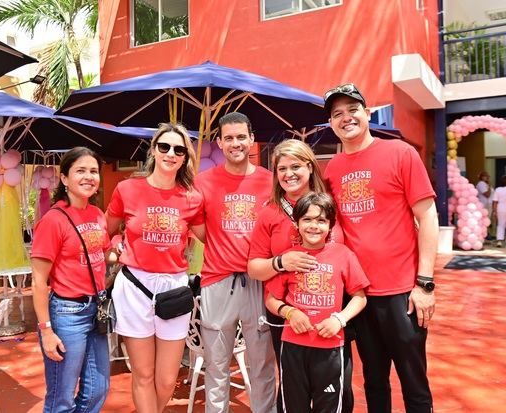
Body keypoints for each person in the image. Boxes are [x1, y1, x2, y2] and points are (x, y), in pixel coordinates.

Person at [322, 83, 438, 413]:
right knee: (373, 381)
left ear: (368, 113)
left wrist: (425, 283)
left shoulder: (400, 153)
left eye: (352, 109)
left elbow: (427, 216)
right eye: (337, 114)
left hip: (403, 293)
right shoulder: (332, 169)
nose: (346, 118)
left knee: (414, 382)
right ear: (331, 123)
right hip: (360, 296)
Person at [106, 123, 204, 413]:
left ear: (185, 157)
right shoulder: (127, 189)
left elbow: (211, 238)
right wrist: (114, 243)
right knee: (144, 374)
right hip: (134, 285)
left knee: (166, 379)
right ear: (153, 150)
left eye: (178, 149)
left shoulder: (191, 198)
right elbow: (106, 230)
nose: (170, 153)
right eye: (164, 147)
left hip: (173, 289)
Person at [247, 138, 351, 412]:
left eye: (295, 166)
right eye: (281, 168)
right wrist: (282, 262)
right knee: (295, 393)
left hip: (331, 315)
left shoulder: (329, 204)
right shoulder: (269, 212)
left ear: (310, 167)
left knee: (338, 391)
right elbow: (254, 267)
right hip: (288, 315)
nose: (288, 174)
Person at [195, 112, 276, 413]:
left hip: (259, 281)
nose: (235, 143)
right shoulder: (204, 182)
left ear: (252, 139)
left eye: (241, 136)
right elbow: (197, 226)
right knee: (216, 366)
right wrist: (221, 244)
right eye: (228, 138)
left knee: (262, 365)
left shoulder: (270, 180)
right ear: (219, 142)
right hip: (217, 281)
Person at [265, 192, 369, 413]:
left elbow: (359, 297)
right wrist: (290, 313)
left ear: (331, 225)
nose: (314, 226)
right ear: (297, 223)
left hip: (330, 348)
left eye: (321, 220)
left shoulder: (343, 255)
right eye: (307, 219)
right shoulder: (290, 257)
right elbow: (271, 299)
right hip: (293, 347)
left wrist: (339, 319)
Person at [30, 147, 111, 413]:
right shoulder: (53, 220)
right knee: (61, 398)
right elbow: (39, 280)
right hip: (67, 313)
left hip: (95, 310)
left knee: (97, 389)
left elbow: (102, 255)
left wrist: (121, 250)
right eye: (80, 171)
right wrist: (46, 330)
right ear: (64, 178)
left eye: (93, 171)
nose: (89, 177)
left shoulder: (97, 214)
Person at [477, 171, 494, 240]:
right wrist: (489, 187)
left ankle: (487, 233)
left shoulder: (485, 184)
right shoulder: (481, 184)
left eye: (488, 176)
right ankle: (485, 234)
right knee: (484, 220)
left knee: (488, 220)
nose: (487, 177)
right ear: (481, 177)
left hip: (488, 205)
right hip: (484, 205)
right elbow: (487, 194)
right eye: (485, 176)